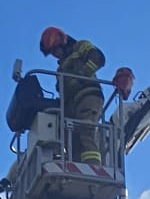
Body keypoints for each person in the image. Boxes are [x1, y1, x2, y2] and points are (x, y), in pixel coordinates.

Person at [39, 26, 106, 164]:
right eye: (52, 52)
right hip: (72, 104)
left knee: (86, 131)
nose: (55, 54)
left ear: (63, 43)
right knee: (71, 139)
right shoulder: (61, 68)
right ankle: (77, 167)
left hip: (88, 95)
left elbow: (98, 58)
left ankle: (93, 167)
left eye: (55, 50)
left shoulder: (80, 46)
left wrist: (82, 75)